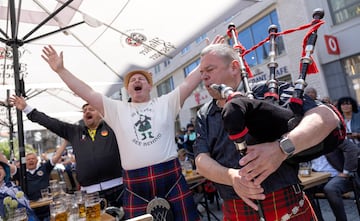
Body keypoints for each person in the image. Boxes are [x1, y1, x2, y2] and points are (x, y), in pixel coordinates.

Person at [37, 37, 225, 219]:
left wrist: (208, 56)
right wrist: (61, 70)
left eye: (141, 79)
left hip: (171, 178)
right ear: (128, 89)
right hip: (136, 185)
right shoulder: (116, 109)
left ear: (149, 86)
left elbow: (188, 82)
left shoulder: (167, 102)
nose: (137, 81)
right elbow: (87, 92)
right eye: (132, 80)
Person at [194, 43, 342, 220]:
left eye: (210, 69)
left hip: (286, 204)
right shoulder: (204, 114)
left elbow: (326, 116)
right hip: (235, 209)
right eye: (201, 73)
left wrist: (282, 148)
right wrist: (232, 177)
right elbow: (201, 160)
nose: (204, 77)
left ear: (234, 67)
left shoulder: (268, 90)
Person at [9, 98, 124, 208]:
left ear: (101, 114)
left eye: (91, 109)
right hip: (89, 193)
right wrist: (26, 108)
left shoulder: (111, 127)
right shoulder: (75, 132)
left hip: (118, 188)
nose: (87, 112)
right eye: (84, 111)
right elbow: (50, 122)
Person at [13, 140, 67, 221]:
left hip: (47, 209)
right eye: (28, 159)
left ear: (37, 160)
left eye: (33, 159)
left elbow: (56, 156)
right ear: (25, 162)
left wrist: (65, 142)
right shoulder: (21, 173)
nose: (31, 160)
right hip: (30, 212)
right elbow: (8, 167)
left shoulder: (44, 168)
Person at [310, 139, 360, 221]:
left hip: (338, 175)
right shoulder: (307, 142)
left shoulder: (331, 137)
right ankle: (317, 219)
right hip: (318, 176)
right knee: (304, 189)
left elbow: (353, 149)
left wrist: (346, 172)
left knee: (330, 188)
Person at [0, 154, 38, 221]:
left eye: (0, 168)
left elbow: (27, 210)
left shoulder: (13, 188)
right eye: (28, 159)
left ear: (5, 173)